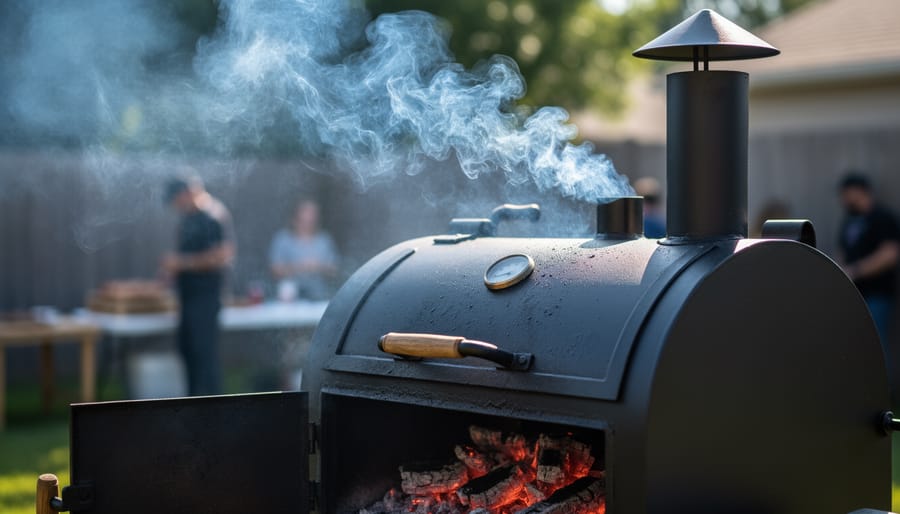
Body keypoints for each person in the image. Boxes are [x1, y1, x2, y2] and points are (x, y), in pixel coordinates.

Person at [161, 175, 235, 396]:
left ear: (186, 193)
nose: (176, 206)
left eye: (176, 200)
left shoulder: (213, 216)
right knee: (188, 352)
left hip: (206, 299)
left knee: (204, 356)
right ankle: (194, 404)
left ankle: (213, 408)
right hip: (187, 297)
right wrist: (169, 271)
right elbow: (182, 254)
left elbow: (222, 256)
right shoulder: (187, 219)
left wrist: (181, 263)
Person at [837, 172, 900, 350]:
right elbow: (842, 251)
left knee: (876, 346)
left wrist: (855, 271)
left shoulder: (882, 217)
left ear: (859, 191)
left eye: (846, 194)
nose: (843, 199)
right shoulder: (849, 221)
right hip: (854, 295)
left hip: (877, 294)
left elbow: (890, 254)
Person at [269, 199, 339, 301]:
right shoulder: (283, 239)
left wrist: (319, 266)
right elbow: (274, 270)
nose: (308, 224)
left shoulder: (324, 241)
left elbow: (334, 270)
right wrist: (299, 267)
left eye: (311, 221)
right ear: (295, 219)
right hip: (289, 298)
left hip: (318, 297)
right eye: (304, 220)